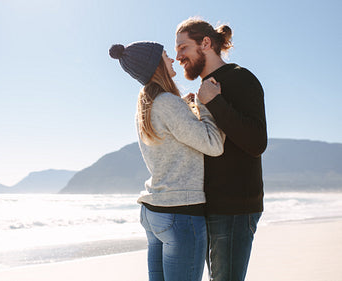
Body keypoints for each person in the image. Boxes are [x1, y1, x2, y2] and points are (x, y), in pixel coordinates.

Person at [109, 41, 225, 281]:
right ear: (155, 65)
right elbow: (214, 145)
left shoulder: (147, 105)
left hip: (154, 213)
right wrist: (205, 105)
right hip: (180, 213)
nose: (172, 59)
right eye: (165, 55)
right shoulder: (168, 103)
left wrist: (186, 109)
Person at [174, 17, 267, 281]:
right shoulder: (203, 90)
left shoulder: (241, 78)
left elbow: (257, 142)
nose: (178, 56)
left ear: (205, 43)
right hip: (209, 206)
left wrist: (214, 102)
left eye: (183, 47)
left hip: (235, 208)